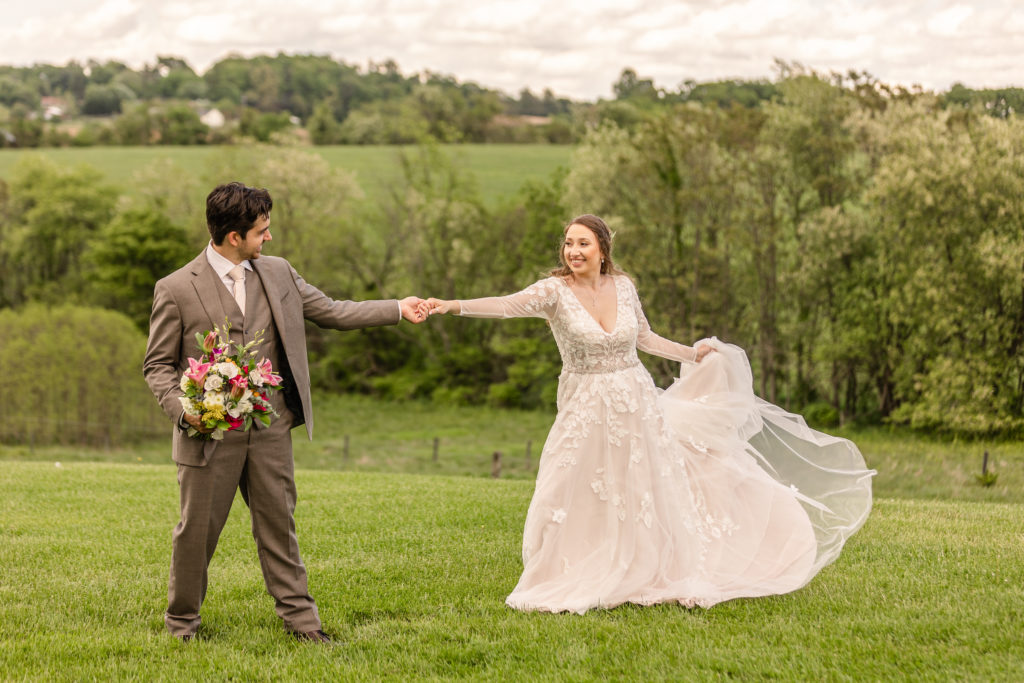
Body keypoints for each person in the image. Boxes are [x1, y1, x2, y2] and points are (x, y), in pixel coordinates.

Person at [425, 214, 874, 614]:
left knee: (640, 484)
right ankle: (569, 566)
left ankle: (651, 566)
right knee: (570, 483)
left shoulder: (624, 287)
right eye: (568, 243)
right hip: (584, 403)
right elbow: (506, 305)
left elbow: (645, 339)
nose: (573, 251)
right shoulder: (553, 292)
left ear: (602, 248)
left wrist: (693, 355)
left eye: (583, 243)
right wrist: (451, 305)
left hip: (635, 398)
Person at [143, 181, 427, 642]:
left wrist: (398, 307)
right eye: (261, 231)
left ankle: (303, 624)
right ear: (234, 236)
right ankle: (182, 625)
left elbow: (333, 310)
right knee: (195, 534)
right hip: (207, 436)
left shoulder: (277, 273)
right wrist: (184, 410)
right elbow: (157, 366)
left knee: (280, 528)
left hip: (271, 430)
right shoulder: (175, 288)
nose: (268, 238)